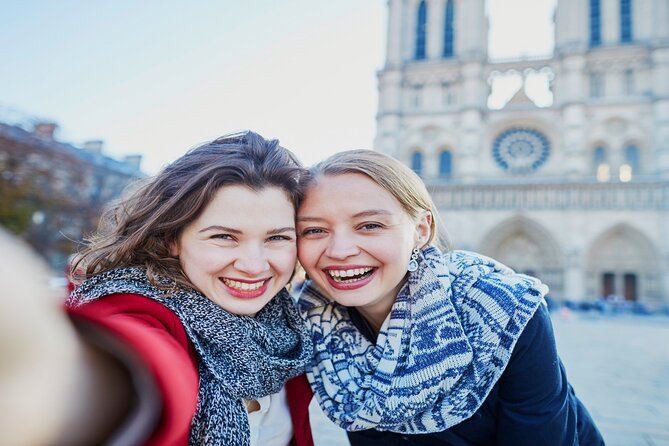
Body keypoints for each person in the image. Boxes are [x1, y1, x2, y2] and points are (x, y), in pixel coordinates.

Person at [1, 131, 316, 446]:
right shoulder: (133, 304)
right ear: (173, 239)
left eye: (277, 238)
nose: (254, 265)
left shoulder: (289, 327)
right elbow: (137, 367)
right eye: (224, 236)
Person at [296, 149, 605, 445]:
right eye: (313, 230)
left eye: (370, 225)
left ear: (421, 230)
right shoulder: (314, 327)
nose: (339, 251)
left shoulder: (500, 308)